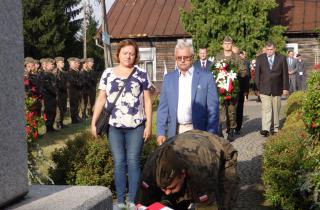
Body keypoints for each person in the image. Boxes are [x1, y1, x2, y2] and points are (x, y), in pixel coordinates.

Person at [91, 39, 153, 210]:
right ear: (118, 54)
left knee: (133, 162)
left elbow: (147, 101)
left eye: (132, 54)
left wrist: (148, 125)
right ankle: (119, 202)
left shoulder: (141, 74)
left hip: (136, 126)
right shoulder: (108, 73)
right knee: (119, 162)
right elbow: (101, 98)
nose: (128, 56)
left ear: (136, 56)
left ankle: (133, 201)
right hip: (114, 127)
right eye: (125, 53)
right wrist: (93, 122)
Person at [135, 130, 239, 210]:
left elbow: (206, 206)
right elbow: (142, 204)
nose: (167, 193)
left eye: (171, 187)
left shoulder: (201, 170)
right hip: (185, 142)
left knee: (224, 204)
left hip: (216, 149)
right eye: (163, 188)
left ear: (183, 174)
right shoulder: (150, 172)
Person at [156, 40, 219, 146]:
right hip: (175, 132)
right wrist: (161, 132)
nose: (182, 61)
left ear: (192, 57)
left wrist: (211, 134)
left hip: (198, 132)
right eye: (178, 58)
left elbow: (213, 108)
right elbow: (163, 109)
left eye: (186, 57)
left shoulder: (206, 77)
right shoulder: (168, 79)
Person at [214, 36, 247, 141]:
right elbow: (213, 70)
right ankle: (219, 130)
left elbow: (244, 71)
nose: (227, 45)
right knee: (220, 109)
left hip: (232, 88)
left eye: (229, 43)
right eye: (225, 43)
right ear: (222, 45)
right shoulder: (218, 57)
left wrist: (234, 73)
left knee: (232, 110)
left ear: (231, 45)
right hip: (220, 88)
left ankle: (231, 130)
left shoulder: (236, 57)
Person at [255, 41, 289, 137]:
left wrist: (285, 88)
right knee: (266, 108)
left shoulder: (281, 58)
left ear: (275, 49)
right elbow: (257, 74)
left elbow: (285, 75)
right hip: (264, 88)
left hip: (277, 87)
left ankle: (275, 128)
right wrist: (257, 88)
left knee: (276, 108)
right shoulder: (260, 58)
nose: (269, 51)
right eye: (268, 50)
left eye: (271, 49)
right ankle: (265, 128)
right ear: (265, 49)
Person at [41, 58, 57, 132]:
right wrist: (55, 91)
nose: (53, 66)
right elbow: (48, 86)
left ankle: (51, 126)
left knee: (53, 111)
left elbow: (55, 85)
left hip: (53, 96)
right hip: (48, 96)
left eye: (53, 64)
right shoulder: (45, 75)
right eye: (51, 64)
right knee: (48, 112)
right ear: (46, 65)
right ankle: (48, 127)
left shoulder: (52, 74)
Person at [236, 51, 250, 134]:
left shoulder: (245, 63)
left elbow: (246, 77)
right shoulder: (230, 62)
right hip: (231, 90)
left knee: (239, 109)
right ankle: (231, 126)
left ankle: (238, 127)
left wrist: (246, 91)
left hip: (241, 88)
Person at [54, 57, 68, 129]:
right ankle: (58, 123)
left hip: (64, 93)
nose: (63, 63)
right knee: (59, 109)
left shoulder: (63, 72)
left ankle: (61, 122)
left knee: (64, 108)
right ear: (57, 63)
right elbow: (55, 83)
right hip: (59, 93)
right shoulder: (55, 72)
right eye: (61, 62)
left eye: (63, 62)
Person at [67, 57, 82, 124]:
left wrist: (79, 83)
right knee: (73, 105)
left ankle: (76, 117)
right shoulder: (70, 71)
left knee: (76, 105)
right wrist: (79, 83)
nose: (76, 64)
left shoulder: (76, 71)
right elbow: (73, 81)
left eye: (76, 62)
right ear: (70, 63)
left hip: (77, 90)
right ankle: (73, 119)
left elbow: (79, 80)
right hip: (72, 91)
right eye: (74, 62)